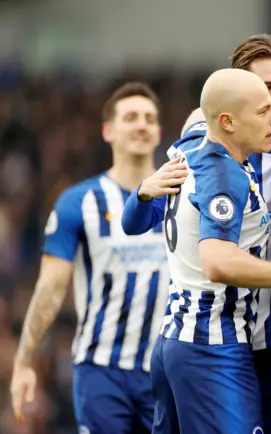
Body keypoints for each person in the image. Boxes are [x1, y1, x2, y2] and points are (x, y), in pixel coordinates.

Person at [121, 34, 271, 433]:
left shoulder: (198, 150)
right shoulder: (220, 166)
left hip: (196, 337)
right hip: (211, 340)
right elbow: (218, 260)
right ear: (230, 114)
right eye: (264, 97)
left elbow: (134, 222)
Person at [10, 82, 170, 433]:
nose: (141, 124)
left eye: (148, 118)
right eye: (130, 117)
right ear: (108, 130)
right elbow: (50, 288)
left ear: (159, 131)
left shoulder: (181, 198)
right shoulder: (78, 202)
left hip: (165, 369)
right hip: (101, 371)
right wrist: (24, 362)